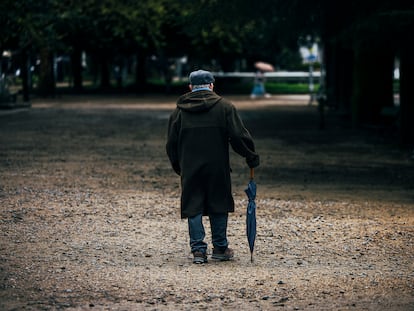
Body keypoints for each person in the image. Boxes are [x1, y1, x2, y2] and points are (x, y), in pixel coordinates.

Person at [166, 69, 260, 264]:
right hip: (217, 166)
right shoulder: (225, 107)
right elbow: (239, 136)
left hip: (190, 167)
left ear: (190, 87)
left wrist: (179, 166)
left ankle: (198, 251)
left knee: (193, 205)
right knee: (219, 202)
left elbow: (171, 144)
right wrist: (250, 156)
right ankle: (220, 247)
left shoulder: (179, 112)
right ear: (211, 86)